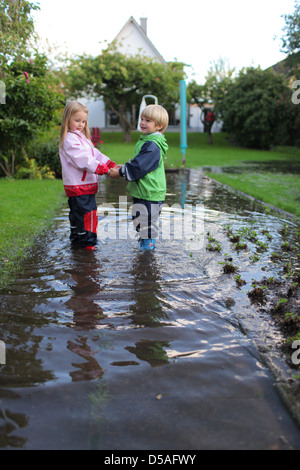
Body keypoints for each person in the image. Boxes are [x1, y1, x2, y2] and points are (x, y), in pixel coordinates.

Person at [109, 104, 169, 251]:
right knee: (140, 222)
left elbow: (139, 167)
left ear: (159, 125)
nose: (142, 122)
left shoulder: (152, 145)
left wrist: (121, 172)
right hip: (143, 191)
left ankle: (147, 257)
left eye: (148, 120)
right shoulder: (147, 141)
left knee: (147, 225)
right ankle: (144, 246)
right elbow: (140, 163)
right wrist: (125, 166)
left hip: (150, 193)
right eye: (142, 119)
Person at [59, 101, 116, 250]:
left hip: (83, 187)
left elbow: (95, 154)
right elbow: (84, 160)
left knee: (78, 217)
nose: (80, 124)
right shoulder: (70, 139)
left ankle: (77, 244)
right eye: (77, 120)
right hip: (80, 187)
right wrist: (104, 170)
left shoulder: (82, 138)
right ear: (67, 120)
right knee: (87, 217)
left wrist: (109, 163)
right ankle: (88, 248)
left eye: (83, 121)